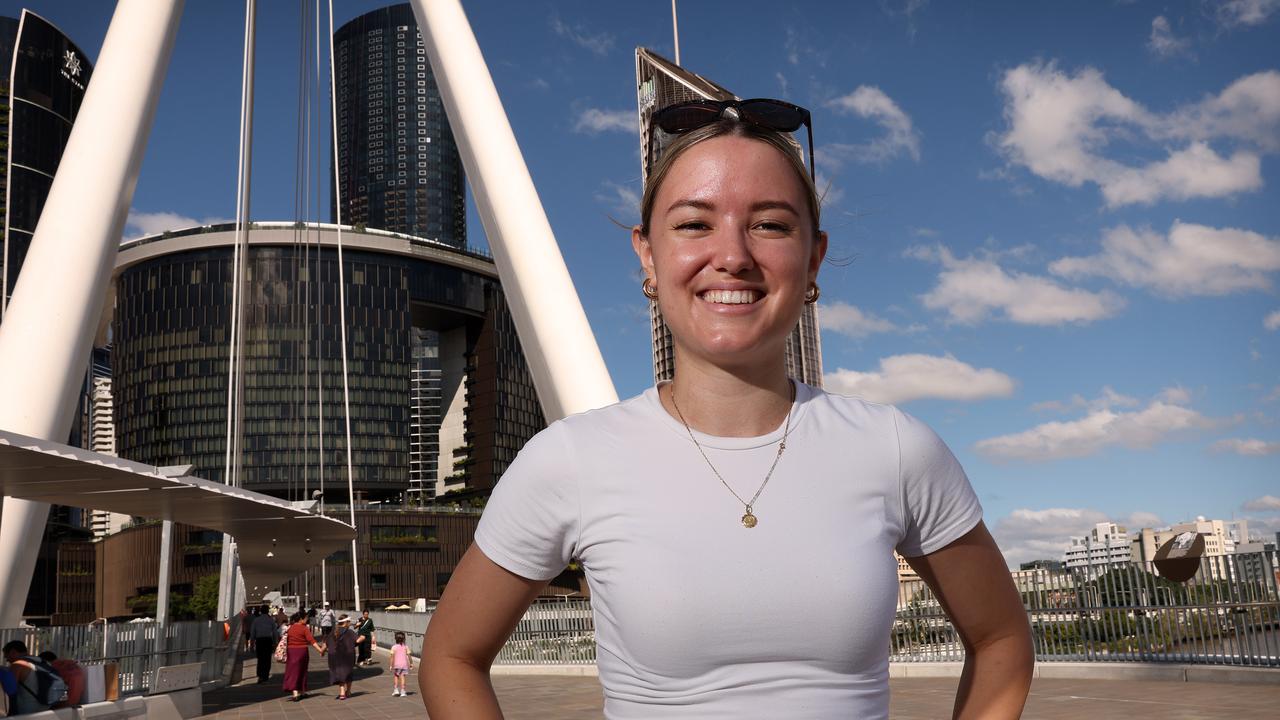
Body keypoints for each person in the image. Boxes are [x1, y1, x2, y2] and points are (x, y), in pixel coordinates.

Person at [420, 99, 1034, 718]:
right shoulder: (570, 460)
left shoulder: (897, 448)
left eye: (770, 224)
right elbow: (452, 656)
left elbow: (1002, 640)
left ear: (813, 257)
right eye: (693, 224)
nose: (733, 254)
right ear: (648, 255)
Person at [2, 641, 67, 714]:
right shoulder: (43, 662)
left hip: (26, 712)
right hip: (46, 709)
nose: (7, 660)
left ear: (13, 652)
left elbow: (9, 691)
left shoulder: (17, 665)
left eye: (7, 656)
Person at [281, 610, 325, 701]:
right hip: (302, 651)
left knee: (292, 671)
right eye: (305, 618)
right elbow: (312, 641)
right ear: (301, 619)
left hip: (291, 651)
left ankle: (295, 693)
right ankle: (302, 692)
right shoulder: (304, 628)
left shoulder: (290, 628)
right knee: (302, 671)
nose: (307, 620)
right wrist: (320, 650)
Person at [325, 615, 358, 701]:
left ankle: (342, 692)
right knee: (348, 673)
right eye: (349, 622)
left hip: (336, 657)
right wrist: (364, 637)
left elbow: (327, 642)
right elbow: (357, 640)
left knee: (340, 673)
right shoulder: (350, 632)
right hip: (348, 656)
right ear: (346, 622)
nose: (350, 623)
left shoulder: (333, 632)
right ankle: (348, 691)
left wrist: (321, 650)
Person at [248, 605, 278, 684]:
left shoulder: (256, 620)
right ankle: (265, 675)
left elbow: (252, 633)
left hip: (259, 641)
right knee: (267, 659)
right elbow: (275, 633)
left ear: (261, 611)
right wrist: (275, 643)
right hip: (268, 641)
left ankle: (260, 676)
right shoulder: (270, 620)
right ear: (268, 611)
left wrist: (251, 645)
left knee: (260, 659)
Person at [389, 632, 412, 697]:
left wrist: (391, 665)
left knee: (396, 676)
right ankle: (403, 691)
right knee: (402, 677)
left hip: (397, 665)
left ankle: (396, 690)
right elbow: (409, 656)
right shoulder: (406, 647)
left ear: (395, 639)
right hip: (404, 665)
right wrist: (411, 663)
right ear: (404, 639)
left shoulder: (394, 647)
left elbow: (392, 657)